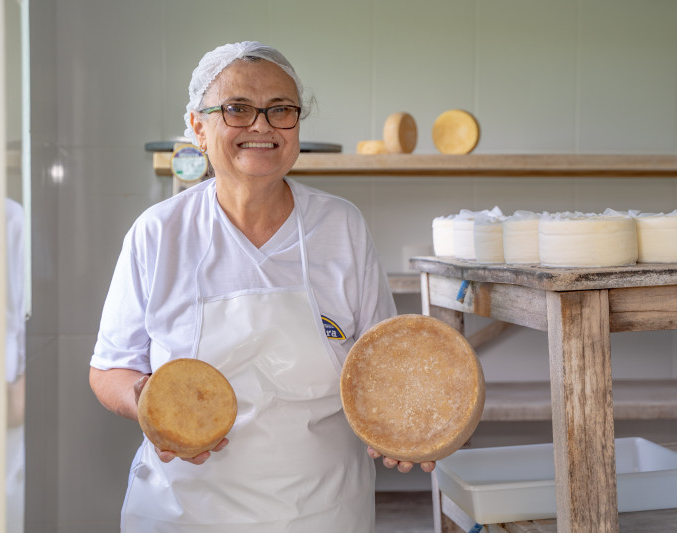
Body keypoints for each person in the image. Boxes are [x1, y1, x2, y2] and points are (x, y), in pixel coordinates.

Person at [89, 41, 434, 533]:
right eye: (238, 109)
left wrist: (403, 425)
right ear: (198, 128)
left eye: (281, 110)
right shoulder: (159, 232)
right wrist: (147, 399)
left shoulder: (341, 226)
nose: (262, 126)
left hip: (323, 511)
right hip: (181, 512)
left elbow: (379, 363)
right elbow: (110, 367)